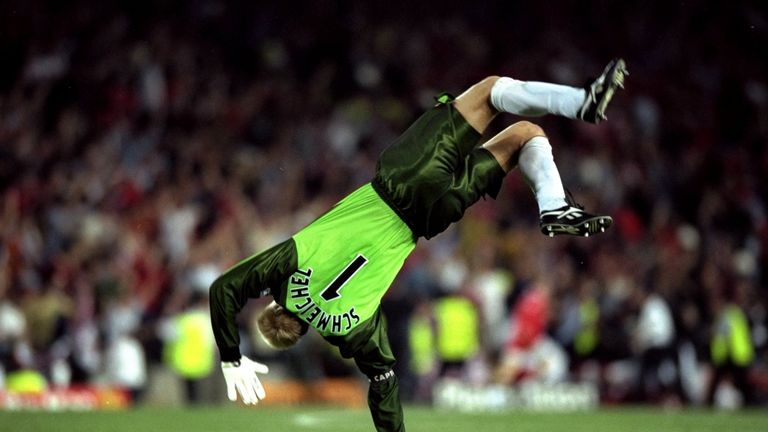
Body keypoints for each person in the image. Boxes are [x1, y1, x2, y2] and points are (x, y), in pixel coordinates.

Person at [209, 59, 628, 431]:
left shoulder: (351, 333)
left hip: (430, 220)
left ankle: (553, 206)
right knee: (489, 90)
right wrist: (231, 356)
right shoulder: (290, 267)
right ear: (276, 305)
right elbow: (224, 290)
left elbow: (384, 389)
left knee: (523, 135)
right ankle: (582, 103)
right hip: (401, 180)